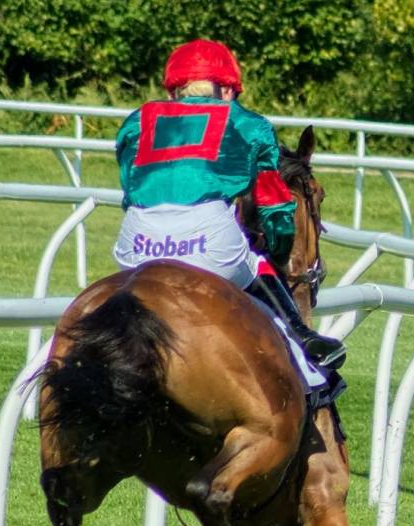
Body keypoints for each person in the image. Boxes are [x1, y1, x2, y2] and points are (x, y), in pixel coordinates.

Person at [113, 38, 344, 369]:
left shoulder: (135, 120)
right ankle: (304, 337)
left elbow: (131, 188)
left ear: (174, 90)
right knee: (258, 263)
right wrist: (278, 250)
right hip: (210, 242)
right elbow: (275, 205)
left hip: (136, 241)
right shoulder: (249, 124)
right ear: (225, 90)